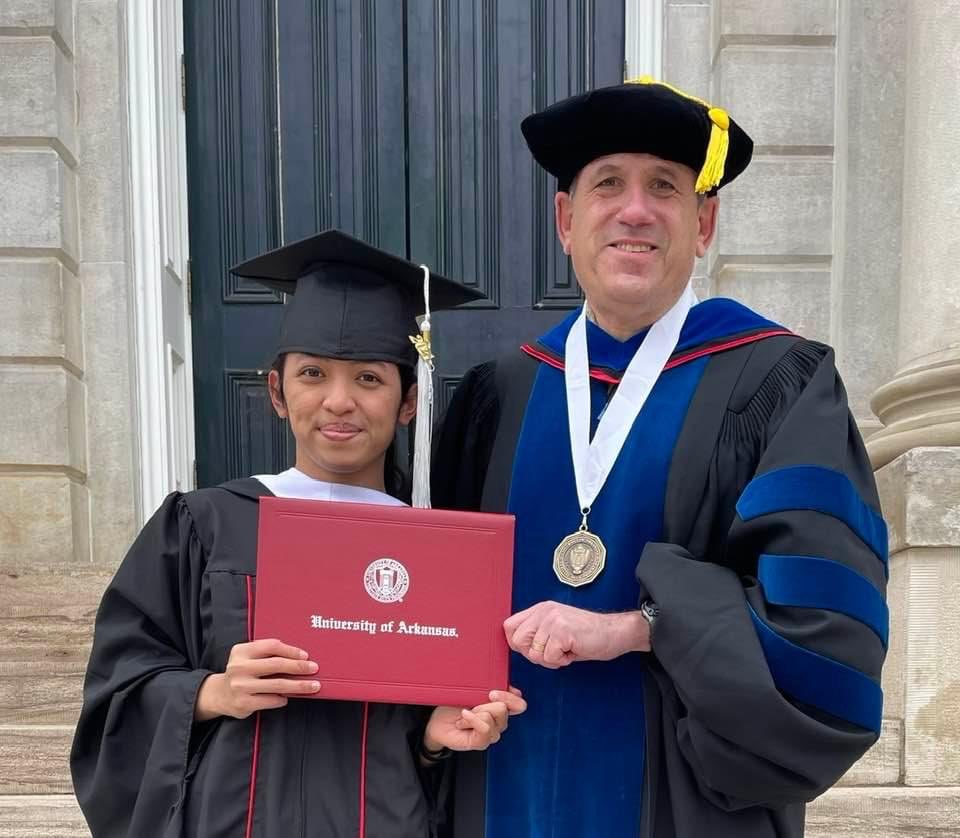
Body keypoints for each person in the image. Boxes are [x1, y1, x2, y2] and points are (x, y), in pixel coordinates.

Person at [433, 77, 888, 838]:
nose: (635, 210)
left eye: (665, 188)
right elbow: (434, 608)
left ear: (703, 223)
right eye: (607, 183)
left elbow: (827, 635)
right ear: (564, 220)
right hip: (500, 784)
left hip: (686, 804)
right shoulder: (496, 395)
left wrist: (638, 626)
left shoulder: (779, 383)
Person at [70, 230, 526, 838]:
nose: (339, 402)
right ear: (277, 392)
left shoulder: (437, 553)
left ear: (409, 402)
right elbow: (118, 694)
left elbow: (423, 743)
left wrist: (434, 742)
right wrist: (212, 691)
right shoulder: (205, 525)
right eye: (313, 373)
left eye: (368, 379)